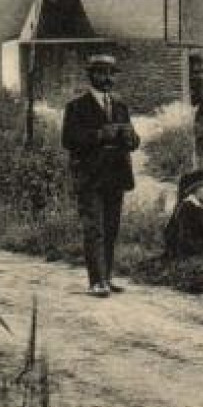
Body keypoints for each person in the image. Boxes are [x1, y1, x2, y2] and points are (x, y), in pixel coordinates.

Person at [61, 53, 140, 297]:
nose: (106, 78)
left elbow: (134, 142)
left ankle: (106, 277)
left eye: (110, 74)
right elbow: (68, 140)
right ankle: (96, 282)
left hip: (116, 176)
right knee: (94, 228)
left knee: (111, 228)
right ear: (91, 75)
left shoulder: (120, 107)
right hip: (90, 177)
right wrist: (100, 135)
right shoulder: (76, 107)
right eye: (101, 73)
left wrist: (130, 138)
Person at [164, 167, 203, 260]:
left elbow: (202, 238)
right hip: (182, 261)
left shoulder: (199, 207)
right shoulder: (187, 208)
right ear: (193, 189)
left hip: (196, 257)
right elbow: (185, 242)